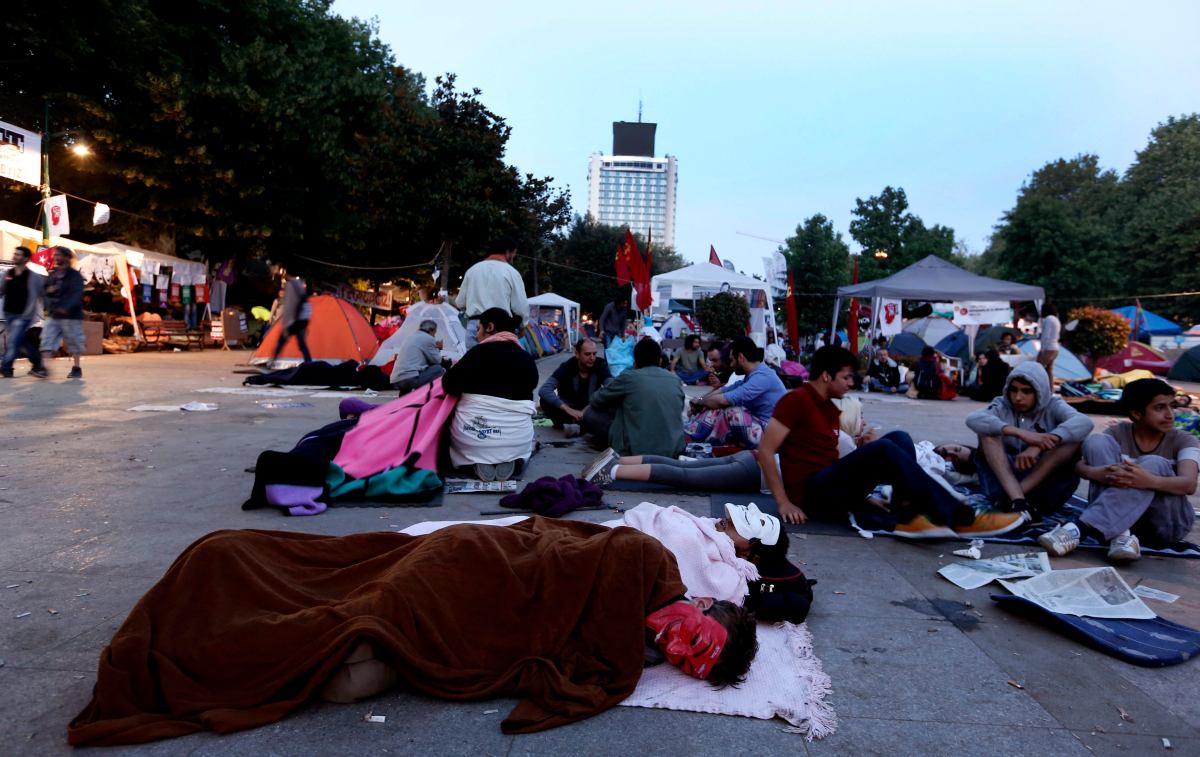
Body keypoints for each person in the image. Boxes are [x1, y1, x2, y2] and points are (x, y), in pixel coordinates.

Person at [65, 519, 756, 746]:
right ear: (705, 606)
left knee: (342, 677)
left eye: (696, 664)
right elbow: (567, 548)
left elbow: (562, 662)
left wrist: (600, 662)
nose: (683, 652)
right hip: (477, 565)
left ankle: (353, 635)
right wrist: (654, 614)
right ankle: (226, 590)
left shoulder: (629, 659)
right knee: (259, 562)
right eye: (701, 638)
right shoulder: (650, 562)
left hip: (482, 625)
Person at [758, 346, 1025, 538]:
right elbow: (766, 451)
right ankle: (960, 517)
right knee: (884, 448)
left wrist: (861, 487)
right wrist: (783, 503)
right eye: (846, 377)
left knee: (900, 438)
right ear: (826, 375)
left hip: (829, 485)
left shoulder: (829, 407)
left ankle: (906, 512)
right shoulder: (795, 401)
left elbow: (825, 456)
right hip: (809, 495)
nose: (851, 383)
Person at [1038, 379, 1199, 563]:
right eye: (1160, 408)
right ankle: (1122, 535)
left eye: (1172, 406)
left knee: (1154, 463)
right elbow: (1079, 466)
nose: (1170, 415)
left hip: (1166, 524)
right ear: (1137, 413)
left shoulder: (1184, 440)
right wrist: (1096, 473)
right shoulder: (1117, 433)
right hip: (1120, 522)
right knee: (1096, 442)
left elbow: (1189, 484)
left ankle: (1079, 528)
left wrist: (1149, 480)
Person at [965, 361, 1092, 516]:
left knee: (1072, 440)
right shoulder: (1002, 404)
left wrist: (1039, 445)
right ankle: (1018, 500)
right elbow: (973, 419)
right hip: (1004, 485)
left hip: (1045, 490)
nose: (1018, 397)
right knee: (987, 433)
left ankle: (1016, 498)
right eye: (1014, 390)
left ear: (1039, 392)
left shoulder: (1053, 405)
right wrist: (1020, 433)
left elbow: (1084, 422)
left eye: (1026, 391)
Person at [443, 308, 539, 482]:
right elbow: (530, 388)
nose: (476, 335)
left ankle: (476, 459)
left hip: (474, 438)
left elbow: (448, 385)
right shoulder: (526, 358)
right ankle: (509, 457)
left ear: (490, 327)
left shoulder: (476, 354)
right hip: (516, 439)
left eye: (478, 329)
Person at [715, 504, 816, 624]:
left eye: (737, 526)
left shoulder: (760, 592)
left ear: (748, 556)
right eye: (730, 519)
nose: (724, 521)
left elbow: (798, 608)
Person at [588, 337, 685, 457]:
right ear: (660, 361)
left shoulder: (629, 377)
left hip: (636, 452)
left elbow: (596, 400)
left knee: (591, 413)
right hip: (673, 451)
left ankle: (613, 450)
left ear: (635, 361)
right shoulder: (675, 380)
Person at [686, 336, 787, 449]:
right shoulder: (751, 376)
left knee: (730, 411)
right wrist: (700, 402)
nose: (731, 365)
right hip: (760, 429)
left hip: (773, 436)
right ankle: (690, 436)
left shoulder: (763, 377)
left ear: (740, 357)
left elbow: (723, 400)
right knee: (714, 404)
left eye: (732, 360)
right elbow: (722, 391)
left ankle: (703, 443)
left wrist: (700, 403)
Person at [456, 235, 529, 349]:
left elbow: (460, 303)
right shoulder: (511, 272)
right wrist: (522, 326)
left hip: (475, 327)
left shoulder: (472, 270)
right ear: (507, 252)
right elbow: (520, 306)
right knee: (498, 366)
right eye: (514, 254)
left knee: (475, 366)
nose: (513, 258)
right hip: (499, 328)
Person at [537, 337, 613, 445]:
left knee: (613, 401)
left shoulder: (600, 365)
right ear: (577, 354)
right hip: (569, 412)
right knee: (544, 401)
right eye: (587, 354)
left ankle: (579, 427)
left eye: (594, 354)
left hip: (591, 409)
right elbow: (544, 390)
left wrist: (589, 407)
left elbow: (612, 387)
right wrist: (568, 409)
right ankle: (580, 426)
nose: (592, 358)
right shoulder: (566, 367)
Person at [39, 246, 86, 379]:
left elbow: (77, 293)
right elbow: (44, 291)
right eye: (55, 255)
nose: (55, 258)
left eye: (58, 255)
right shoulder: (53, 274)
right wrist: (49, 292)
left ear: (66, 257)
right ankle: (45, 369)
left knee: (74, 342)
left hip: (71, 315)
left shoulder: (75, 275)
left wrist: (66, 307)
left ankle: (77, 368)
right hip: (54, 314)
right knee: (46, 339)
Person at [1, 246, 47, 378]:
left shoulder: (34, 277)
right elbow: (1, 290)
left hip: (24, 315)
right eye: (15, 253)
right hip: (9, 314)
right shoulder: (8, 274)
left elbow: (42, 295)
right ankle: (38, 365)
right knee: (21, 341)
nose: (15, 256)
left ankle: (6, 367)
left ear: (26, 258)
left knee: (14, 341)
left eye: (19, 254)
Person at [269, 269, 312, 366]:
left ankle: (272, 361)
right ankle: (309, 362)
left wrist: (288, 322)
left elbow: (291, 304)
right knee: (301, 342)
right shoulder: (300, 283)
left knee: (282, 341)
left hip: (295, 319)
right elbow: (302, 301)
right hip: (302, 318)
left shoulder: (291, 285)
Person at [391, 318, 445, 394]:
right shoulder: (428, 338)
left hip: (396, 379)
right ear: (431, 330)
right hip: (410, 378)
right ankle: (423, 397)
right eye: (434, 333)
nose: (434, 336)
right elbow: (437, 361)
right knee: (438, 369)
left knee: (419, 370)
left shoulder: (410, 337)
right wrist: (438, 349)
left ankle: (404, 398)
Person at [1037, 303, 1061, 386]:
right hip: (1056, 348)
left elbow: (1045, 336)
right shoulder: (1056, 319)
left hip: (1049, 348)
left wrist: (1042, 350)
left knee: (1039, 369)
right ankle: (1050, 390)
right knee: (1049, 369)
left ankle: (1040, 388)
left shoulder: (1048, 319)